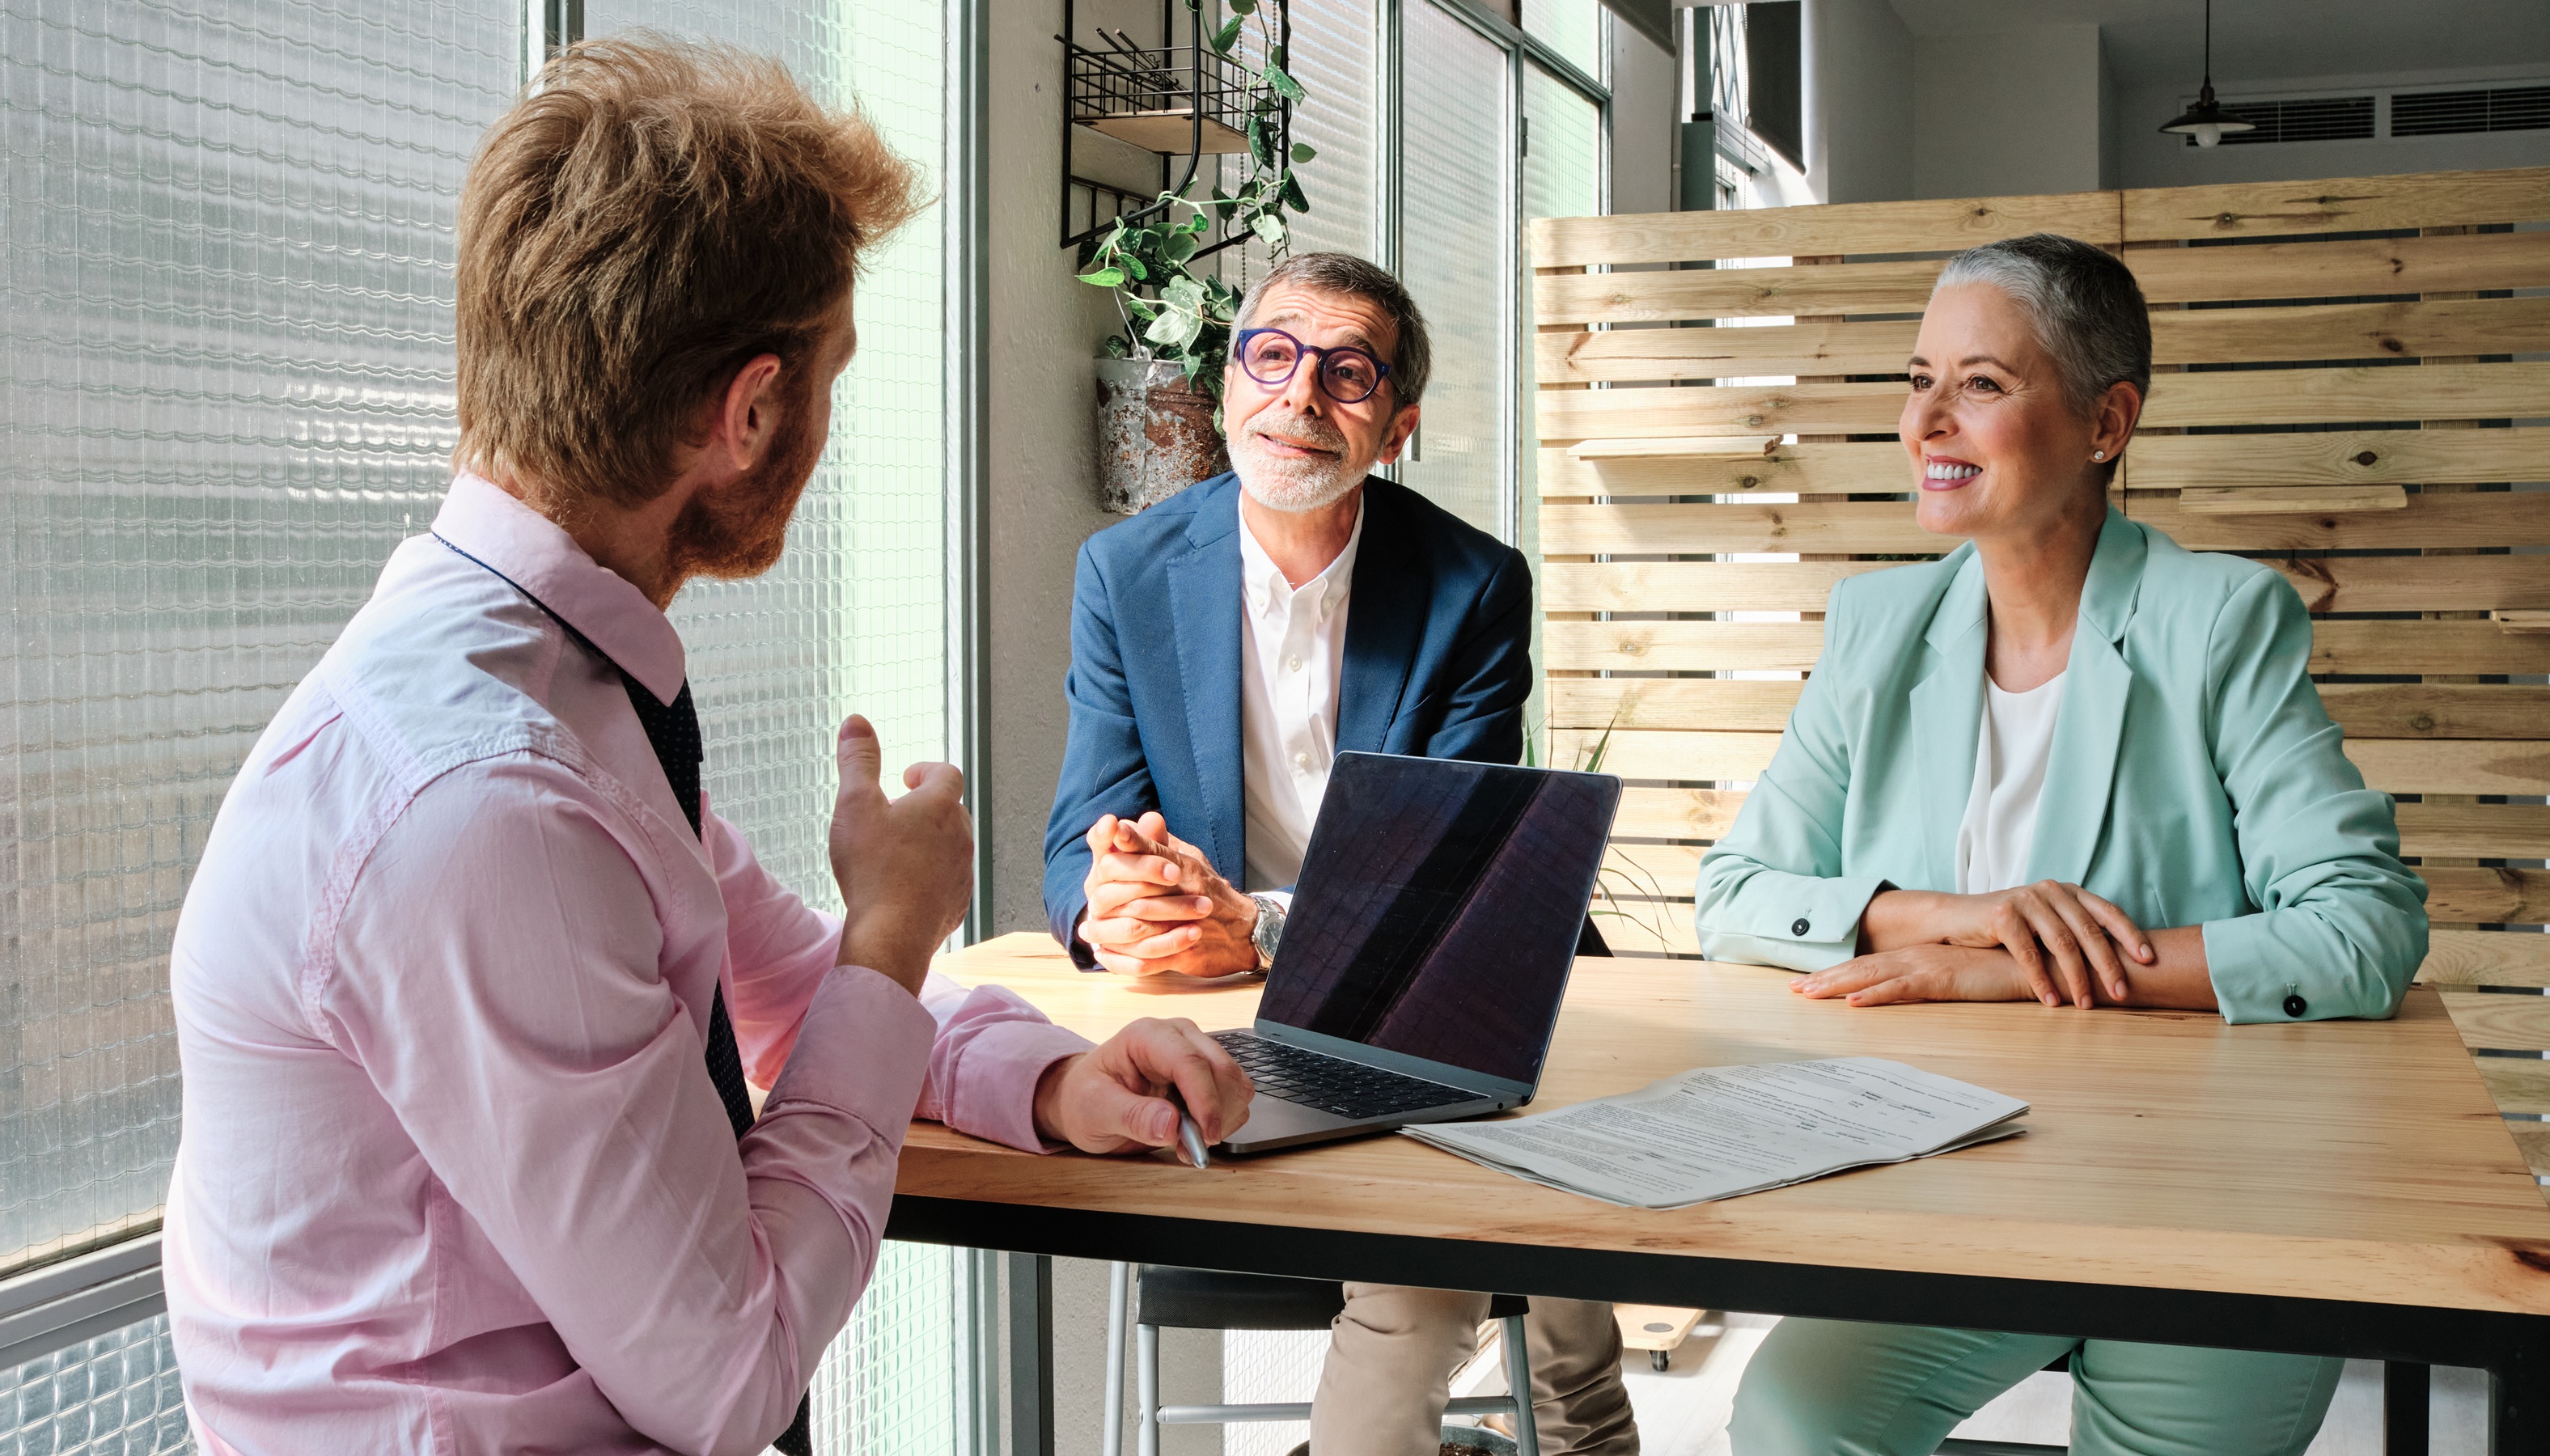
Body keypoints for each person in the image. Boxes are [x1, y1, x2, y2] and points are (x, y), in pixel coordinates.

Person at [161, 39, 1252, 1456]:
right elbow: (729, 1375)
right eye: (831, 377)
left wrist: (1046, 1080)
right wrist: (895, 937)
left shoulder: (556, 696)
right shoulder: (489, 800)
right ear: (750, 413)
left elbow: (786, 996)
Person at [1697, 232, 2429, 1456]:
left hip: (2211, 1197)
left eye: (1981, 383)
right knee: (1790, 1420)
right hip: (1948, 1182)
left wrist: (2013, 968)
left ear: (2107, 423)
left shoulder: (2220, 619)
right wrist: (1951, 916)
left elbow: (2364, 932)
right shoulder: (1880, 624)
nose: (1929, 418)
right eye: (1917, 376)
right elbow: (1737, 897)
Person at [1040, 251, 1636, 1455]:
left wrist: (1256, 924)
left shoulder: (1473, 587)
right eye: (1273, 357)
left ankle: (1585, 1429)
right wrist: (1112, 906)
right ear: (1225, 390)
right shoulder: (1125, 572)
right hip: (1224, 1021)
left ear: (1398, 426)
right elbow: (1074, 836)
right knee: (1484, 1231)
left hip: (1441, 1000)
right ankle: (1589, 1429)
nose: (1301, 396)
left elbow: (1460, 887)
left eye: (1348, 374)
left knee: (1437, 1261)